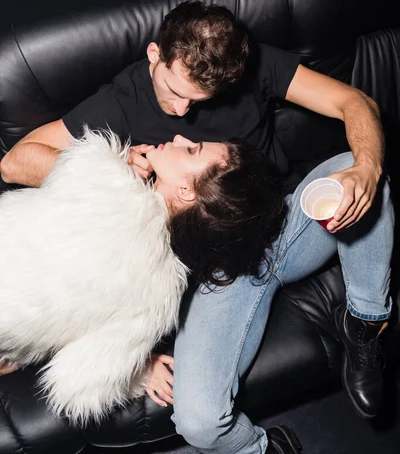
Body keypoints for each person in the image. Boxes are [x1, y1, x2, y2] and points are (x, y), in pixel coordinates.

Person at [0, 1, 393, 454]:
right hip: (216, 281)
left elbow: (353, 102)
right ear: (154, 54)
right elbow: (15, 163)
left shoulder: (251, 64)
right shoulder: (122, 100)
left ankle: (365, 323)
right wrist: (114, 163)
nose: (183, 114)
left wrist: (366, 167)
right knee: (199, 422)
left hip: (285, 226)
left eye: (199, 100)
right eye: (173, 90)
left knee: (359, 171)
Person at [0, 129, 287, 428]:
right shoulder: (159, 299)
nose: (179, 138)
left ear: (187, 191)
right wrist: (139, 371)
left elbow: (81, 162)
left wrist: (121, 159)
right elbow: (79, 387)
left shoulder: (99, 171)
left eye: (191, 150)